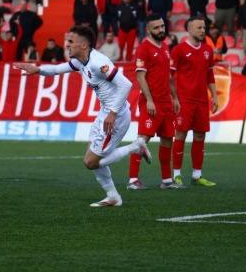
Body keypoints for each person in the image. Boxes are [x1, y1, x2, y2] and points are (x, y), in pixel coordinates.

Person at [15, 26, 151, 207]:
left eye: (71, 42)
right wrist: (37, 70)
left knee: (91, 162)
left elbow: (125, 85)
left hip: (116, 115)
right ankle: (113, 196)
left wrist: (112, 112)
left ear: (84, 45)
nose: (67, 45)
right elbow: (57, 70)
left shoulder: (98, 62)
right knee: (93, 158)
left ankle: (136, 147)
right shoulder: (81, 61)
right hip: (105, 112)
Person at [128, 14, 181, 190]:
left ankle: (166, 180)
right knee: (142, 140)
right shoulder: (144, 48)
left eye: (162, 26)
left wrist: (174, 97)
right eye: (156, 27)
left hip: (166, 102)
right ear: (149, 29)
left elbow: (168, 76)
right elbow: (140, 76)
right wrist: (149, 100)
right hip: (151, 102)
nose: (161, 30)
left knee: (167, 139)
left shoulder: (165, 47)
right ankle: (133, 180)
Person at [171, 17, 219, 187]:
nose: (202, 30)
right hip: (185, 100)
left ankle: (197, 176)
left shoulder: (208, 50)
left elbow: (210, 75)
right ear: (189, 29)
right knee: (180, 135)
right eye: (199, 27)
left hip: (202, 101)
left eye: (204, 27)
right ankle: (176, 174)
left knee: (200, 135)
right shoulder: (179, 50)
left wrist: (214, 95)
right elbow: (170, 77)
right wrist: (175, 98)